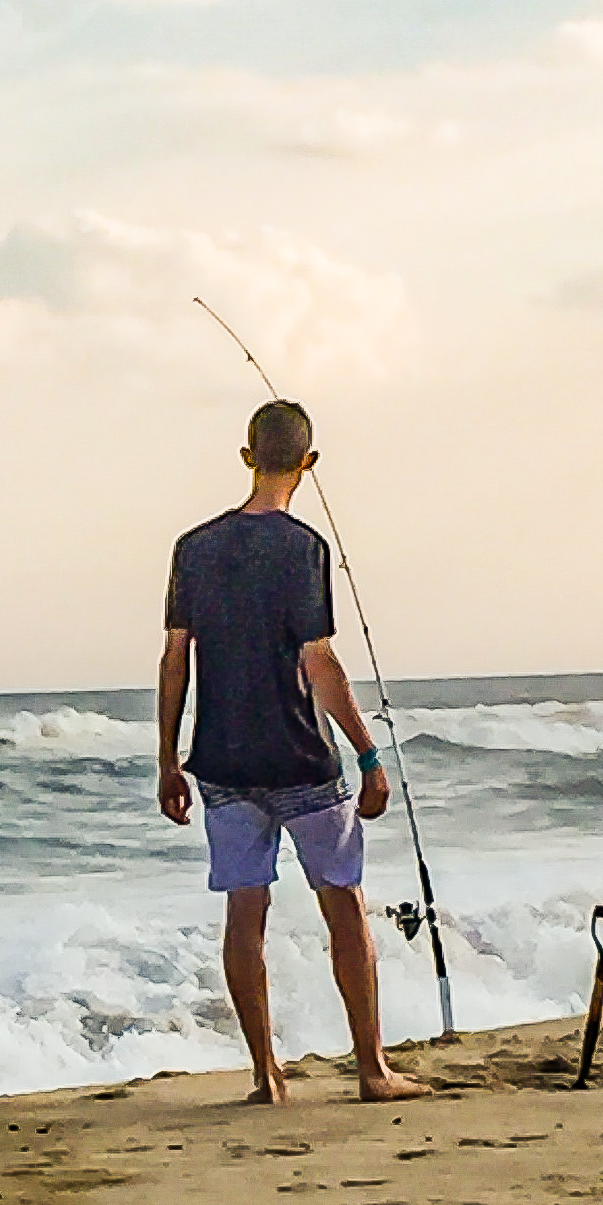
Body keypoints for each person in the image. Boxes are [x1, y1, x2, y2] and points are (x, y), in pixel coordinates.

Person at [155, 399, 430, 1105]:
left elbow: (174, 659)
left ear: (246, 457)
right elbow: (319, 664)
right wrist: (367, 755)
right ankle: (371, 1069)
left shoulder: (192, 547)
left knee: (244, 916)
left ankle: (265, 1076)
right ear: (306, 463)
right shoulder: (304, 547)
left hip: (220, 762)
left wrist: (168, 759)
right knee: (342, 907)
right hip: (303, 760)